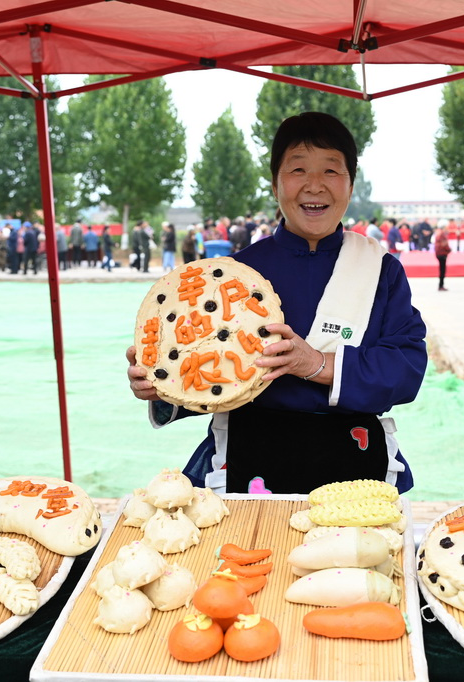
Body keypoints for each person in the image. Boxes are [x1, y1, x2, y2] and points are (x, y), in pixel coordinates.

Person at [126, 111, 427, 495]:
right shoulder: (233, 274)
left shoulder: (381, 270)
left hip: (353, 458)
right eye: (298, 170)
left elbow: (406, 368)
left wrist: (315, 363)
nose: (314, 186)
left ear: (351, 184)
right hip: (248, 456)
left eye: (331, 171)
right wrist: (159, 384)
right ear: (274, 184)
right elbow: (202, 368)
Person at [433, 223, 451, 291]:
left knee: (442, 270)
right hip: (442, 254)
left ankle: (441, 285)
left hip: (439, 254)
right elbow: (444, 245)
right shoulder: (442, 235)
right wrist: (449, 250)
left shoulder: (439, 235)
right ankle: (441, 285)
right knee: (442, 270)